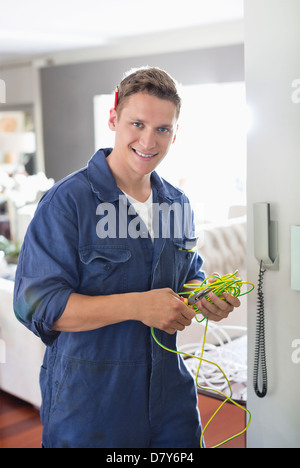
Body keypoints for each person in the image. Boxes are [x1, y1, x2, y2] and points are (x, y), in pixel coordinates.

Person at [13, 67, 240, 448]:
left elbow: (190, 276)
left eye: (163, 129)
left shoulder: (177, 204)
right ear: (114, 119)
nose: (149, 140)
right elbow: (36, 307)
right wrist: (137, 306)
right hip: (91, 404)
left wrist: (205, 296)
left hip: (171, 402)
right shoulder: (67, 203)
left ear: (175, 133)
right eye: (137, 123)